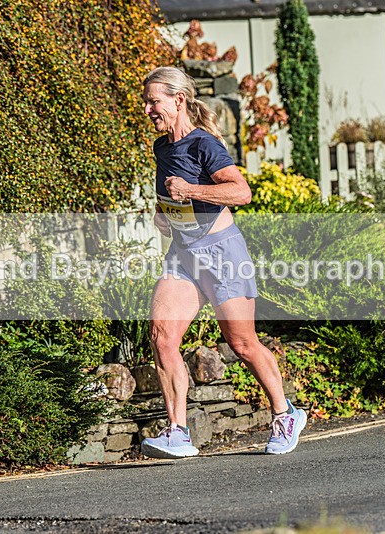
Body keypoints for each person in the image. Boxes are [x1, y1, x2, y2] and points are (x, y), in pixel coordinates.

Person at [139, 66, 307, 459]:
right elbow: (174, 199)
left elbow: (241, 192)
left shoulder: (204, 144)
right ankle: (178, 432)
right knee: (162, 336)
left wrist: (192, 189)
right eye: (146, 102)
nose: (147, 109)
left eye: (154, 101)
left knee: (242, 342)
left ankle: (285, 413)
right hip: (182, 254)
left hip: (222, 253)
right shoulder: (162, 147)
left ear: (178, 100)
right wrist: (163, 214)